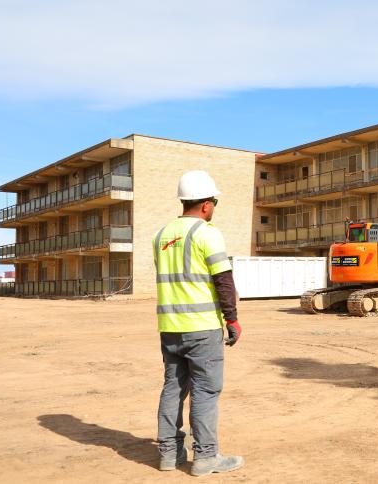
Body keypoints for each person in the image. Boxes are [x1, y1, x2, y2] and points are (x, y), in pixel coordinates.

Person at [153, 170, 243, 477]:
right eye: (214, 202)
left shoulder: (161, 235)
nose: (214, 208)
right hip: (202, 328)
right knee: (205, 391)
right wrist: (232, 319)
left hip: (169, 327)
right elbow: (223, 280)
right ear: (206, 205)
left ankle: (168, 454)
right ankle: (206, 457)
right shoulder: (207, 232)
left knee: (172, 388)